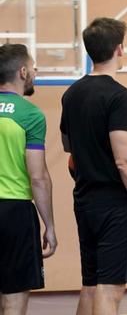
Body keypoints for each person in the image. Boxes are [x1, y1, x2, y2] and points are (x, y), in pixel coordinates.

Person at [61, 18, 127, 315]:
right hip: (114, 205)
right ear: (120, 49)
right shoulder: (119, 96)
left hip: (85, 200)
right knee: (111, 287)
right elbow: (124, 163)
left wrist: (124, 148)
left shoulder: (72, 94)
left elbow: (73, 147)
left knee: (91, 284)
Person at [67, 129, 127, 314]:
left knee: (91, 285)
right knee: (109, 287)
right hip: (116, 213)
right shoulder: (122, 160)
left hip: (88, 207)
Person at [0, 44, 56, 315]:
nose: (35, 72)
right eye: (33, 68)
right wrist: (50, 226)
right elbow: (38, 178)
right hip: (14, 213)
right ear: (23, 72)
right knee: (13, 296)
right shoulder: (30, 115)